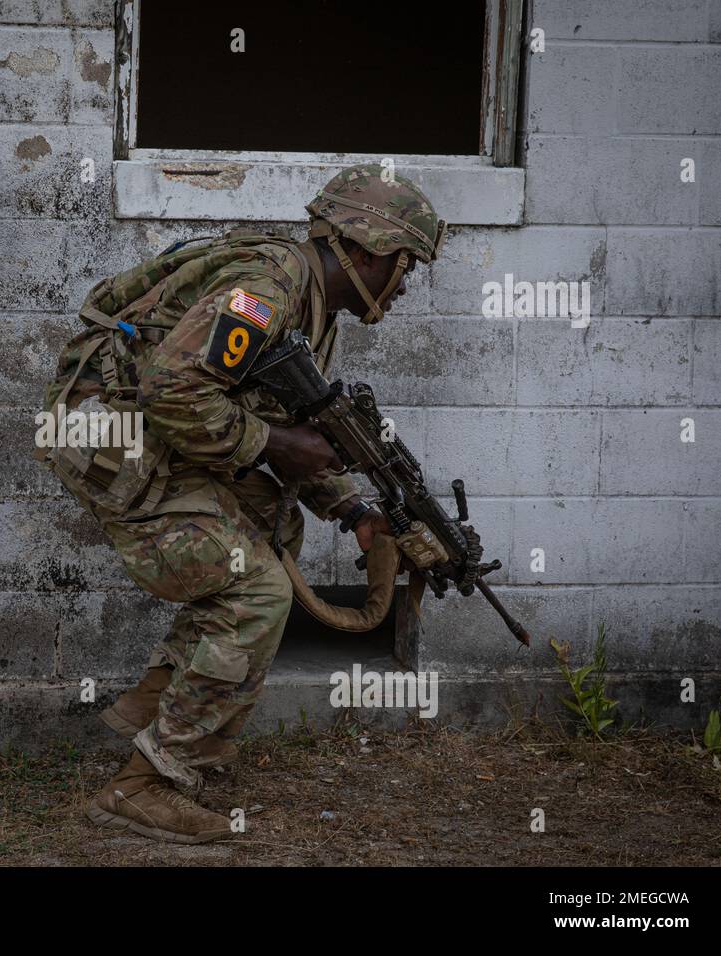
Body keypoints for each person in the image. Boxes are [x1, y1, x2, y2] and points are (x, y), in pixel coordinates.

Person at [38, 163, 446, 844]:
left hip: (150, 435)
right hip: (109, 436)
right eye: (405, 267)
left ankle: (157, 705)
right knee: (257, 589)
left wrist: (351, 511)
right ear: (371, 250)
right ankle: (146, 784)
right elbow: (174, 391)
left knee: (267, 521)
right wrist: (272, 443)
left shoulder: (311, 305)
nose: (404, 286)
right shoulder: (268, 288)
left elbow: (281, 426)